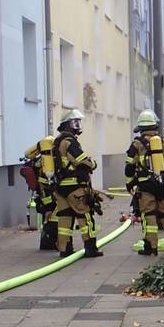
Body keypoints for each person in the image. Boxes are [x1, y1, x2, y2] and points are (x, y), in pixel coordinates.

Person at [125, 110, 164, 255]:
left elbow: (129, 167)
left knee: (149, 216)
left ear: (141, 128)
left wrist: (129, 183)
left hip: (146, 186)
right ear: (155, 125)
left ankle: (151, 248)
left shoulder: (137, 145)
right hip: (163, 185)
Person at [53, 109, 102, 258]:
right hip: (75, 188)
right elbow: (82, 162)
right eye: (75, 122)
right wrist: (93, 163)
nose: (78, 125)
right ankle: (90, 248)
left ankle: (65, 249)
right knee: (85, 216)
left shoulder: (57, 142)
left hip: (61, 188)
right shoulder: (70, 142)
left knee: (65, 219)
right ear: (68, 124)